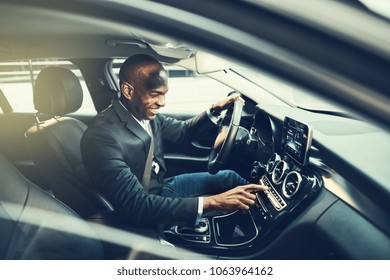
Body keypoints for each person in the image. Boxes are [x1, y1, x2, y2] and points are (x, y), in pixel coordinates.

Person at [80, 54, 267, 227]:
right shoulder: (102, 137)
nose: (162, 103)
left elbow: (184, 132)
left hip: (162, 186)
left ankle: (268, 210)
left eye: (164, 94)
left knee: (231, 178)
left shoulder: (142, 114)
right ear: (128, 91)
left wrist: (214, 110)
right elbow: (137, 206)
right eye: (154, 95)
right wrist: (213, 202)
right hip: (149, 205)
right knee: (225, 202)